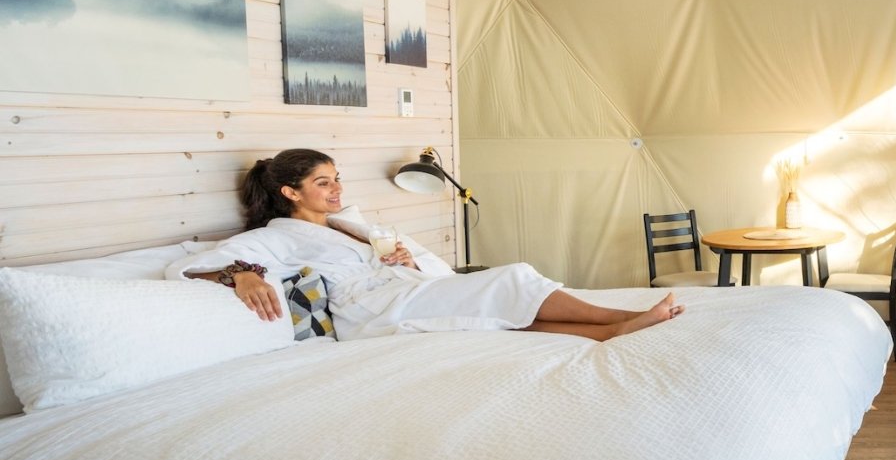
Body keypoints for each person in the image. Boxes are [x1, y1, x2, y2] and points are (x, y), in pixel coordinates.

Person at [168, 148, 683, 342]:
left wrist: (405, 258)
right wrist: (243, 273)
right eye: (324, 182)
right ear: (290, 192)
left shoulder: (346, 226)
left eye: (337, 179)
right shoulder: (275, 236)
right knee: (512, 278)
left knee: (495, 308)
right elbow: (187, 267)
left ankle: (608, 330)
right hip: (370, 310)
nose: (337, 190)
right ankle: (616, 313)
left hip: (403, 289)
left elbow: (396, 258)